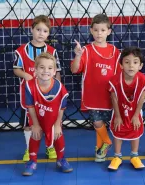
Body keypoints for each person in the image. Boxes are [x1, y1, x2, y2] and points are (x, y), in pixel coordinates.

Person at [70, 14, 121, 162]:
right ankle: (107, 142)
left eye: (103, 30)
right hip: (92, 95)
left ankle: (100, 150)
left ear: (109, 32)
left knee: (103, 124)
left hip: (109, 95)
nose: (99, 33)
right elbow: (74, 69)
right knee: (97, 122)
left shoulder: (115, 51)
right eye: (96, 30)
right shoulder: (86, 50)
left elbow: (119, 75)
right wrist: (78, 55)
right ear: (91, 31)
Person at [13, 15, 61, 161]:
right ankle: (29, 149)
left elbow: (57, 72)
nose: (41, 33)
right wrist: (25, 75)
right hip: (29, 95)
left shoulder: (52, 51)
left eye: (45, 31)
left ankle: (50, 146)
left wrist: (57, 91)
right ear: (31, 29)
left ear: (48, 34)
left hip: (47, 96)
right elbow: (16, 69)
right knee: (28, 124)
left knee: (48, 123)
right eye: (38, 29)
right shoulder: (21, 51)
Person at [22, 52, 73, 175]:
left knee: (58, 136)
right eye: (42, 67)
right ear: (35, 69)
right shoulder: (29, 86)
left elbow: (62, 108)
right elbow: (31, 107)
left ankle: (61, 160)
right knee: (35, 135)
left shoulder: (60, 87)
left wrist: (57, 124)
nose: (46, 71)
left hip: (53, 119)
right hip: (37, 118)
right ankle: (32, 162)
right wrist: (35, 124)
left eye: (50, 68)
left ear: (55, 71)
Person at [108, 47, 145, 171]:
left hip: (135, 110)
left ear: (140, 65)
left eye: (135, 62)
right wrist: (118, 116)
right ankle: (117, 156)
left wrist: (136, 115)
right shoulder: (115, 80)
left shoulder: (143, 80)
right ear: (121, 65)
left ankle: (134, 156)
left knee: (135, 129)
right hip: (119, 110)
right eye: (127, 62)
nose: (131, 66)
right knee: (118, 129)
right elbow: (114, 98)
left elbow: (142, 97)